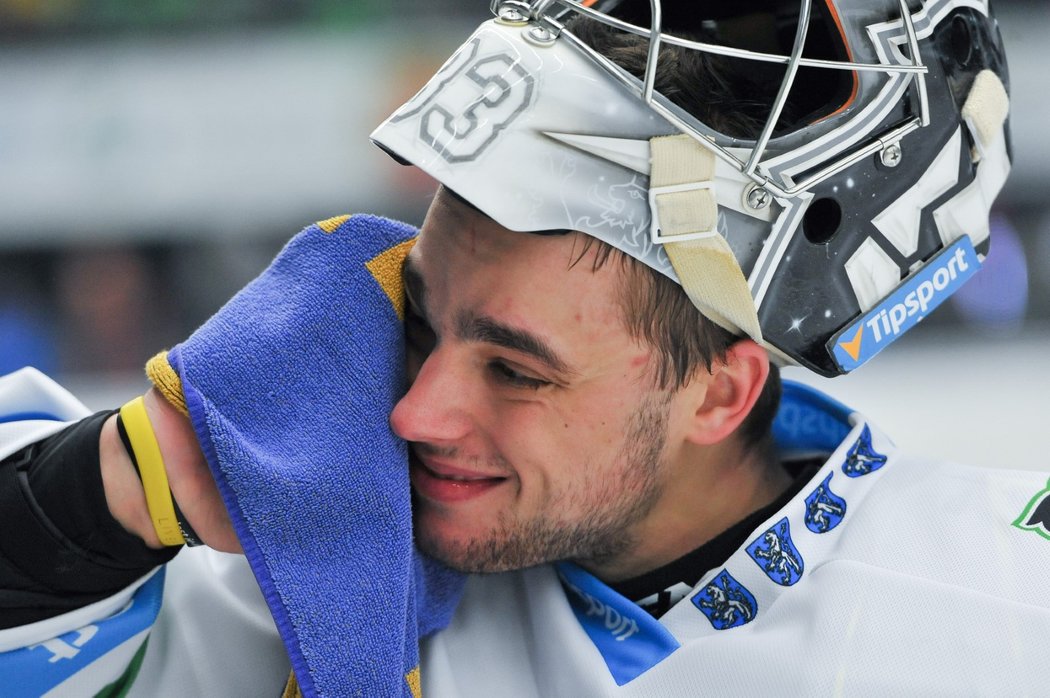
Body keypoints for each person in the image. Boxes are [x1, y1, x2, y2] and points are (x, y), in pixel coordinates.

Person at [2, 0, 1048, 695]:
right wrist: (121, 482)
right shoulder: (306, 575)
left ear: (723, 393)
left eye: (515, 367)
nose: (414, 413)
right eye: (422, 317)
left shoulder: (1004, 606)